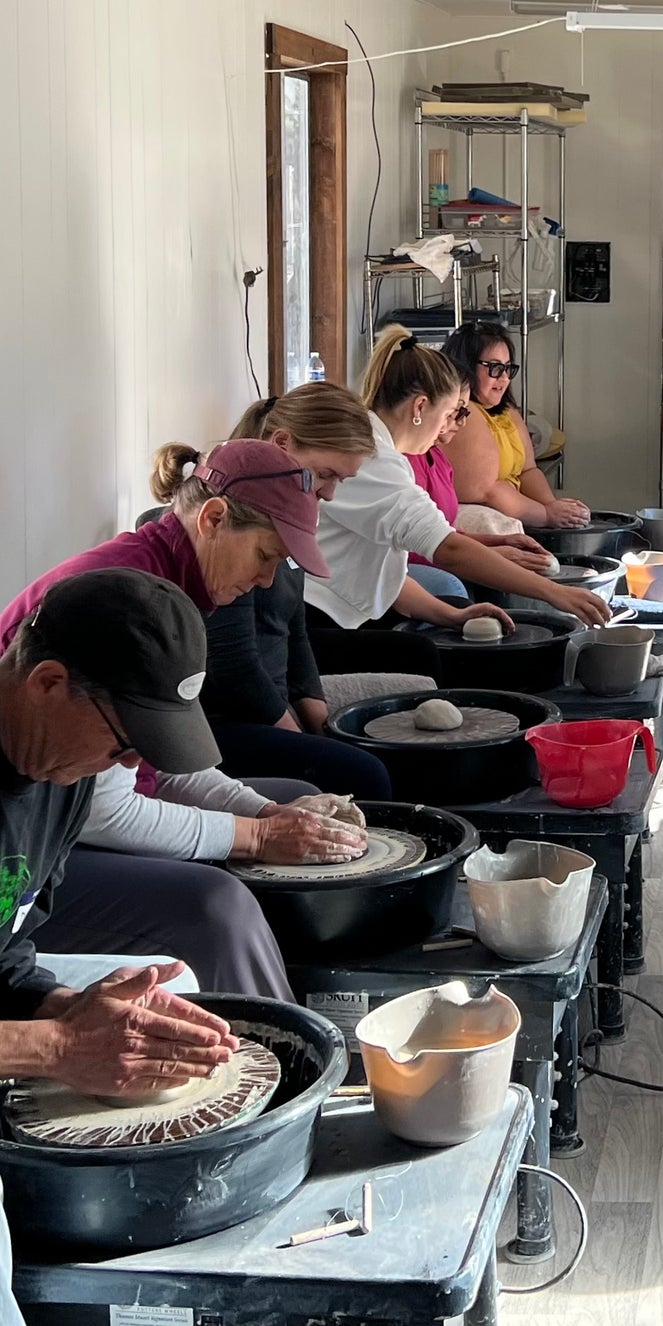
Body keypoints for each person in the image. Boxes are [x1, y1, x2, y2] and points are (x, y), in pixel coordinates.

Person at [0, 569, 247, 1326]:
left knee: (163, 1000)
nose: (129, 766)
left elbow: (8, 951)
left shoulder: (57, 770)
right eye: (121, 741)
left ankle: (149, 1304)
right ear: (48, 682)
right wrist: (58, 1047)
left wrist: (76, 1005)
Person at [0, 439, 368, 995]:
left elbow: (159, 758)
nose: (268, 581)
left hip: (63, 821)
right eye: (265, 556)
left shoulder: (174, 597)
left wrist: (267, 815)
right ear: (214, 518)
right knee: (217, 905)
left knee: (294, 800)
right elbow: (105, 807)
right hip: (46, 833)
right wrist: (256, 836)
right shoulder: (119, 608)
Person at [304, 325, 609, 642]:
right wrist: (555, 593)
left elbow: (385, 578)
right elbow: (448, 549)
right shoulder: (374, 459)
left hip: (346, 607)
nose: (449, 427)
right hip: (319, 615)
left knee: (454, 616)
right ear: (420, 407)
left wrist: (453, 615)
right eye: (449, 413)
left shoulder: (385, 451)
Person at [195, 385, 394, 797]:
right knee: (366, 775)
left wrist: (319, 718)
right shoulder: (238, 526)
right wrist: (297, 734)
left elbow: (295, 630)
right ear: (282, 444)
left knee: (377, 750)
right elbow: (232, 667)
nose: (330, 493)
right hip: (226, 719)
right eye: (326, 474)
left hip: (272, 703)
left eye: (340, 480)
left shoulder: (294, 511)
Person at [406, 390, 555, 601]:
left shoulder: (437, 458)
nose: (462, 422)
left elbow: (443, 533)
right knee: (450, 586)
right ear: (421, 407)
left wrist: (498, 542)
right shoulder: (399, 463)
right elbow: (411, 547)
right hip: (399, 564)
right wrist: (555, 593)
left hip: (428, 555)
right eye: (456, 411)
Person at [439, 321, 591, 528]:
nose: (504, 378)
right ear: (466, 366)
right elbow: (487, 491)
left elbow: (529, 471)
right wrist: (546, 515)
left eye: (508, 368)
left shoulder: (506, 410)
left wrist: (552, 506)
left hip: (514, 516)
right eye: (495, 368)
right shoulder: (465, 415)